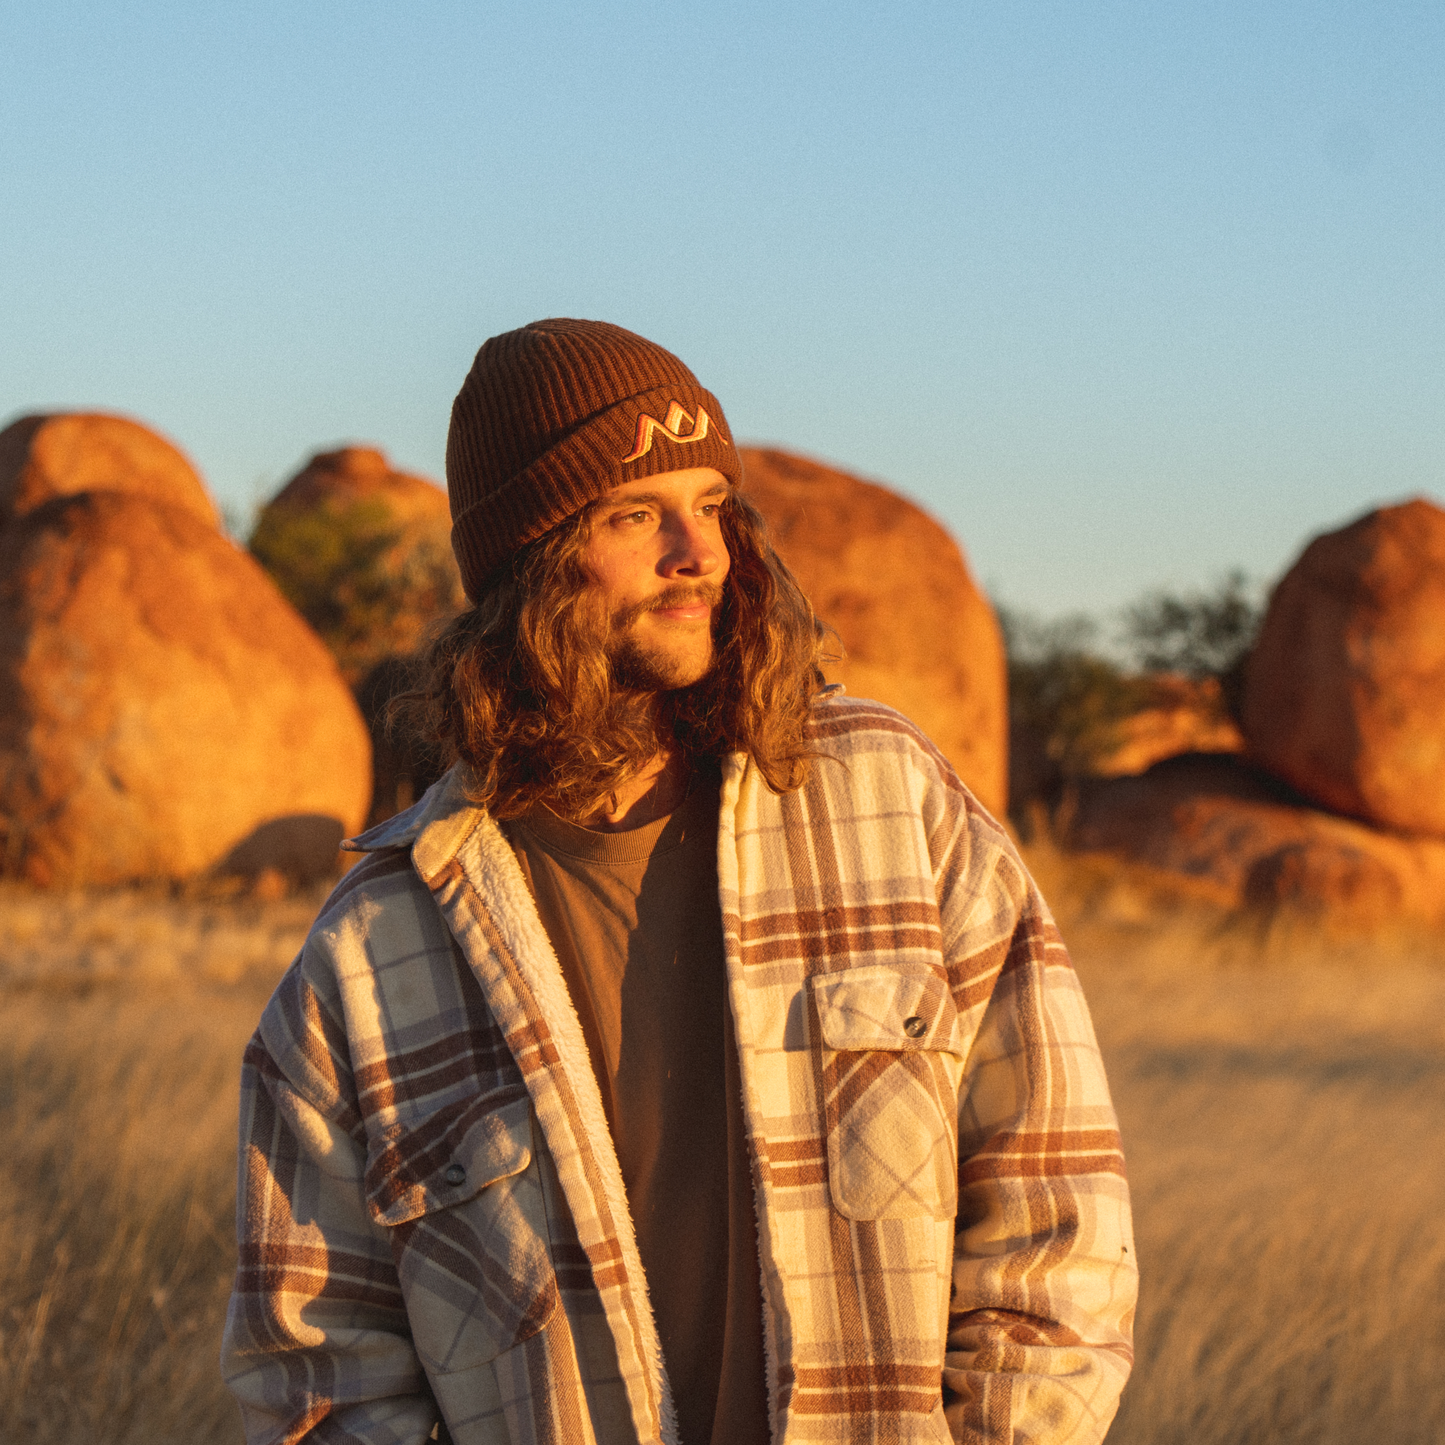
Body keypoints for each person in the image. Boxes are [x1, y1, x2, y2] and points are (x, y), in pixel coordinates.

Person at [221, 319, 1137, 1445]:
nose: (696, 551)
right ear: (530, 556)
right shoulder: (370, 956)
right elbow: (317, 1372)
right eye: (632, 513)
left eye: (710, 503)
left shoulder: (886, 802)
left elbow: (1057, 1208)